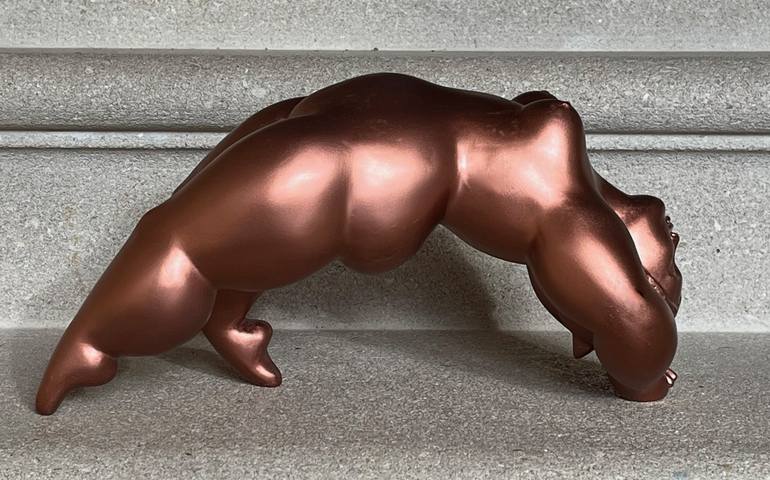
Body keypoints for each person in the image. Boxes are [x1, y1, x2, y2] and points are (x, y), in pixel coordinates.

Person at [36, 73, 682, 415]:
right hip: (367, 160)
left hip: (352, 123)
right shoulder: (573, 203)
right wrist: (646, 380)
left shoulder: (554, 146)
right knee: (179, 242)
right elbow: (633, 326)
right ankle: (92, 344)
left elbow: (626, 311)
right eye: (668, 263)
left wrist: (639, 352)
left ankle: (214, 323)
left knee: (193, 230)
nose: (672, 246)